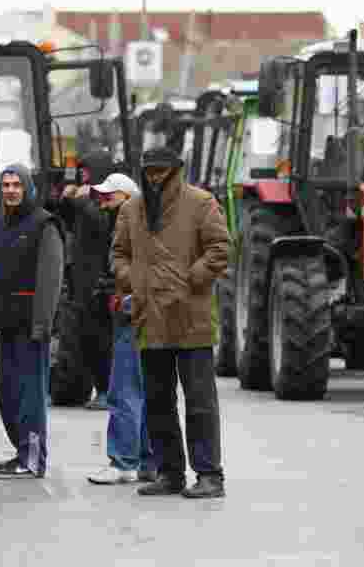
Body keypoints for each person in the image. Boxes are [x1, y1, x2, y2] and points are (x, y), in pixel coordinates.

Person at [111, 147, 229, 498]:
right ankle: (169, 472)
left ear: (175, 170)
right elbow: (118, 254)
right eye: (149, 171)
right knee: (158, 401)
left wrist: (193, 278)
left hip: (191, 318)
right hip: (150, 318)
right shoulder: (132, 210)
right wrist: (133, 280)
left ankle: (209, 474)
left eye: (161, 171)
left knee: (200, 402)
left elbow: (220, 249)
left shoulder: (201, 203)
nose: (154, 177)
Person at [0, 163, 64, 480]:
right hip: (6, 326)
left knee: (30, 397)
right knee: (8, 397)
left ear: (28, 187)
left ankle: (33, 459)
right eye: (5, 185)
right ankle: (21, 452)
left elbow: (51, 279)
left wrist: (42, 326)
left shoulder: (44, 225)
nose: (11, 190)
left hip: (32, 328)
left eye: (17, 184)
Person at [85, 173, 157, 485]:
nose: (103, 202)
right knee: (144, 392)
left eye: (109, 197)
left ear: (127, 198)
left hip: (134, 318)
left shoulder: (134, 228)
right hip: (148, 318)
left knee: (124, 391)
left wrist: (125, 299)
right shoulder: (144, 225)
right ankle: (147, 460)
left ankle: (122, 461)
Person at [56, 150, 117, 409]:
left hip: (103, 280)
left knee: (104, 339)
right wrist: (67, 200)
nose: (83, 177)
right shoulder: (84, 199)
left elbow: (101, 225)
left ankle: (107, 390)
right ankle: (91, 387)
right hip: (81, 278)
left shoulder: (111, 200)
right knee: (86, 337)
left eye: (87, 173)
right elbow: (68, 222)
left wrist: (84, 199)